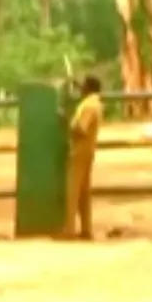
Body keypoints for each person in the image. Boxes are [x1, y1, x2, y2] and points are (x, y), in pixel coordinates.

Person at [63, 75, 103, 240]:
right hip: (89, 150)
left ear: (88, 88)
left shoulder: (88, 106)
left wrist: (66, 122)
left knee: (72, 190)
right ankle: (86, 228)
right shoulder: (96, 104)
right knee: (84, 192)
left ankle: (70, 229)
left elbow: (81, 129)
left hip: (80, 149)